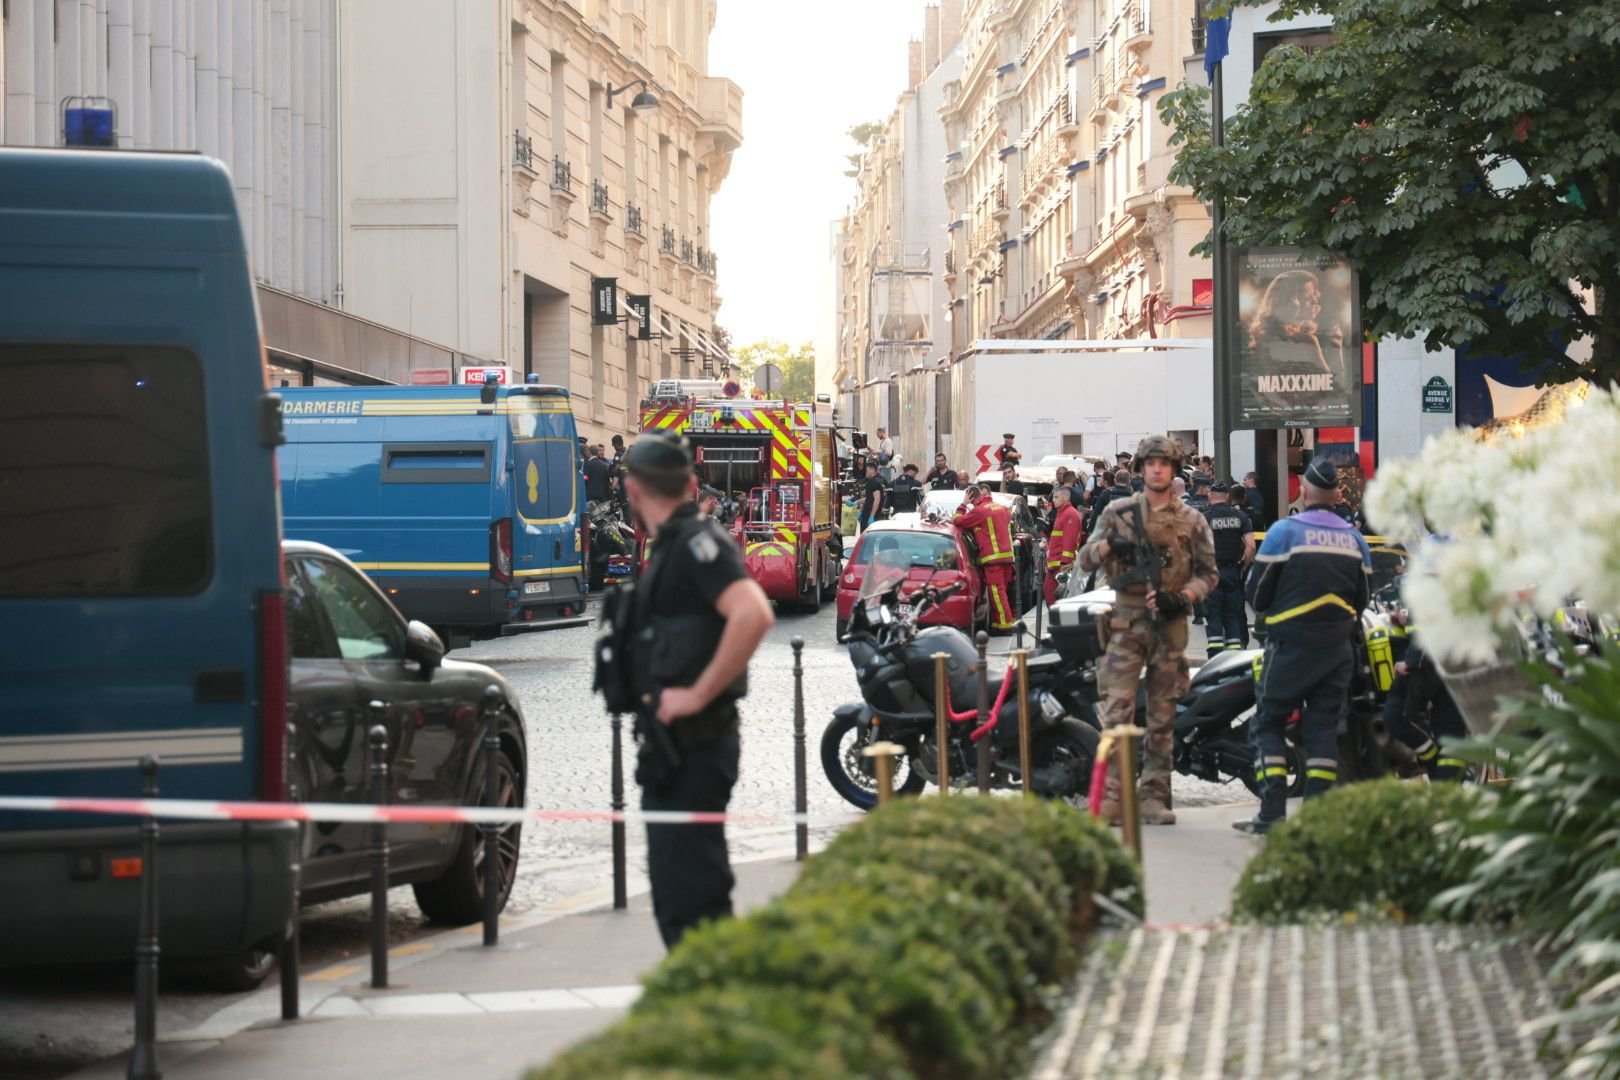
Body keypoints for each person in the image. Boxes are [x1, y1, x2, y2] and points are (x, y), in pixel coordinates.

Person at [616, 434, 774, 947]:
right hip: (675, 748)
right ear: (688, 485)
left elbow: (753, 612)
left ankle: (716, 1008)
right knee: (679, 893)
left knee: (693, 900)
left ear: (631, 489)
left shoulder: (695, 543)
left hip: (696, 743)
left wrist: (698, 694)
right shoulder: (673, 545)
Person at [1078, 435, 1218, 826]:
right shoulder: (1118, 512)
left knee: (1162, 715)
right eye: (1151, 463)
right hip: (1124, 624)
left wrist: (1185, 596)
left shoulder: (1192, 520)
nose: (1157, 469)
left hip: (1169, 626)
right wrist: (1110, 546)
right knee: (1115, 712)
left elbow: (1210, 574)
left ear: (1174, 470)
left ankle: (1154, 797)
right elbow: (1085, 560)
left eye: (1165, 463)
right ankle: (1114, 798)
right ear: (1140, 469)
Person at [1235, 456, 1372, 835]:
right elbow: (1361, 600)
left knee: (1268, 724)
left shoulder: (1284, 532)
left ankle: (1271, 813)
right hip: (1337, 650)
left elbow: (1257, 595)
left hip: (1290, 647)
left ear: (1306, 491)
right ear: (1336, 493)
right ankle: (1318, 817)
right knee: (1324, 729)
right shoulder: (1354, 539)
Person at [953, 485, 1018, 634]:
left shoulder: (980, 510)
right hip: (1007, 557)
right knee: (1003, 592)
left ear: (972, 497)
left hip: (993, 559)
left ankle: (1005, 626)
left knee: (997, 592)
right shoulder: (1002, 508)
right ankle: (998, 623)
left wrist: (963, 504)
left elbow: (958, 521)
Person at [1202, 481, 1255, 654]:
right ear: (1227, 496)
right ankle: (1234, 653)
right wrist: (1243, 565)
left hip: (1211, 572)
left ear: (1210, 496)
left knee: (1213, 614)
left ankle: (1215, 655)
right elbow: (1251, 546)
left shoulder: (1204, 518)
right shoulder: (1240, 517)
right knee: (1232, 614)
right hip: (1232, 571)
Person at [1044, 485, 1083, 606]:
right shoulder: (1063, 513)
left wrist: (1065, 564)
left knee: (1054, 597)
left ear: (1066, 498)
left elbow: (1070, 541)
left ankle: (1059, 621)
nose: (1053, 500)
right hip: (1055, 564)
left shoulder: (1070, 514)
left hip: (1060, 565)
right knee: (1051, 594)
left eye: (1056, 497)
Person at [858, 461, 885, 533]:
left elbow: (877, 500)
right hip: (866, 515)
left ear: (872, 470)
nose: (865, 473)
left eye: (866, 471)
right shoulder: (869, 482)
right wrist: (856, 504)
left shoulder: (875, 482)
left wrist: (872, 516)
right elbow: (868, 498)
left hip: (872, 516)